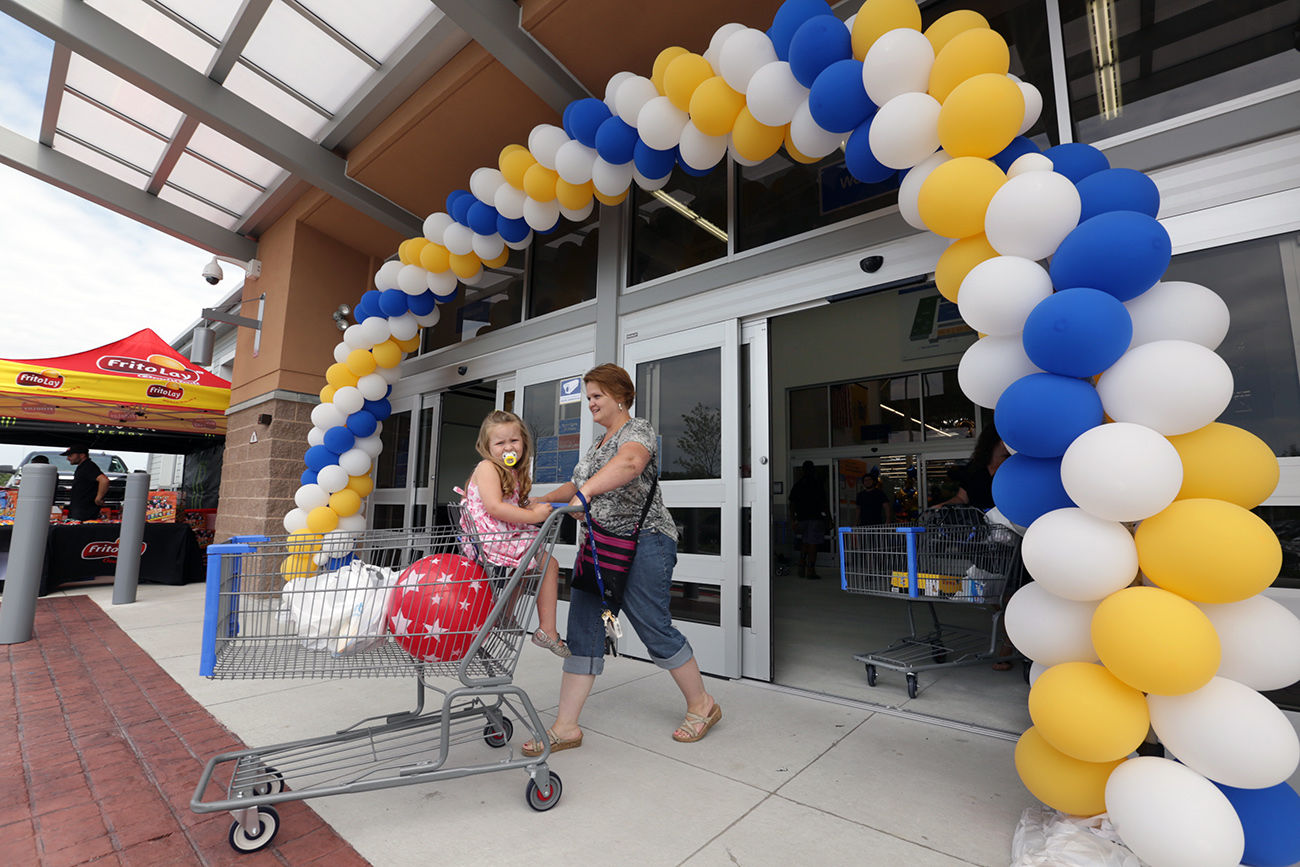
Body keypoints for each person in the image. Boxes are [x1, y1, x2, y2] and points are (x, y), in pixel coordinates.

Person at [523, 363, 720, 756]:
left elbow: (630, 464)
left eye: (596, 396)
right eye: (588, 396)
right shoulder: (596, 447)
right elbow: (575, 486)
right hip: (598, 548)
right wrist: (543, 500)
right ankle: (566, 727)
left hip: (645, 541)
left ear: (619, 396)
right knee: (583, 629)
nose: (591, 403)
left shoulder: (637, 431)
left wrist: (586, 495)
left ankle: (704, 705)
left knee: (653, 627)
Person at [457, 410, 569, 657]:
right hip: (488, 537)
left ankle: (505, 614)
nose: (508, 447)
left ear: (523, 443)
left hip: (500, 534)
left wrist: (530, 506)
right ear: (487, 447)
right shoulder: (487, 467)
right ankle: (546, 630)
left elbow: (510, 504)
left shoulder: (512, 471)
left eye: (514, 441)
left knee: (535, 565)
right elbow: (495, 507)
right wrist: (534, 516)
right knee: (547, 564)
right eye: (500, 443)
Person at [936, 424, 1009, 511]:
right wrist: (942, 506)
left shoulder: (1014, 467)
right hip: (978, 521)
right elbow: (962, 498)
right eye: (1004, 439)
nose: (1009, 443)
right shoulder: (974, 467)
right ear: (993, 440)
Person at [789, 460, 830, 579]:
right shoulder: (817, 483)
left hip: (801, 518)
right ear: (813, 470)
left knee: (805, 542)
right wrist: (829, 519)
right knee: (813, 544)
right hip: (815, 518)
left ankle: (801, 564)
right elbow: (824, 503)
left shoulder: (798, 484)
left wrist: (793, 520)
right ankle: (810, 570)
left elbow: (792, 504)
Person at [63, 446, 108, 521]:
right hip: (79, 510)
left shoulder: (88, 466)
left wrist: (99, 498)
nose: (68, 458)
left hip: (85, 512)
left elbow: (104, 480)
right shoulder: (82, 467)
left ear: (82, 455)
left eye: (70, 455)